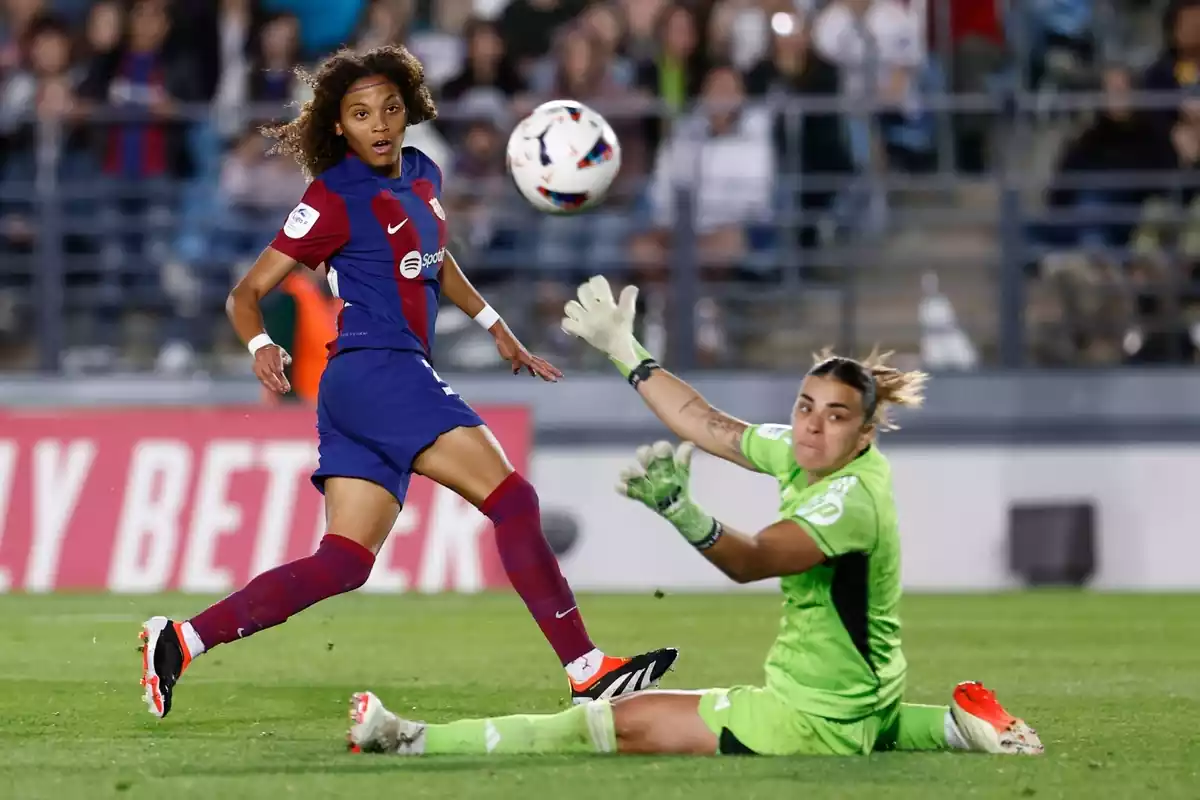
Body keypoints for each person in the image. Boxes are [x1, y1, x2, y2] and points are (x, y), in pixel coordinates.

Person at [138, 54, 677, 719]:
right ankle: (587, 669)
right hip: (377, 369)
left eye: (390, 109)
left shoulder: (424, 176)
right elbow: (246, 292)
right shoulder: (331, 197)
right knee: (513, 501)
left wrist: (493, 324)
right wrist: (260, 343)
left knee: (344, 562)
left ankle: (181, 639)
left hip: (370, 381)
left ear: (409, 108)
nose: (380, 126)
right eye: (361, 115)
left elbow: (433, 258)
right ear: (338, 126)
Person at [344, 276, 1044, 759]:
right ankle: (957, 725)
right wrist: (627, 351)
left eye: (835, 418)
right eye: (806, 407)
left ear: (863, 435)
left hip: (808, 720)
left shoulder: (847, 500)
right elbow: (708, 425)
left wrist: (683, 513)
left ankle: (413, 739)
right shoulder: (808, 455)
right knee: (862, 716)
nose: (811, 427)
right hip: (859, 695)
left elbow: (754, 560)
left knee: (608, 724)